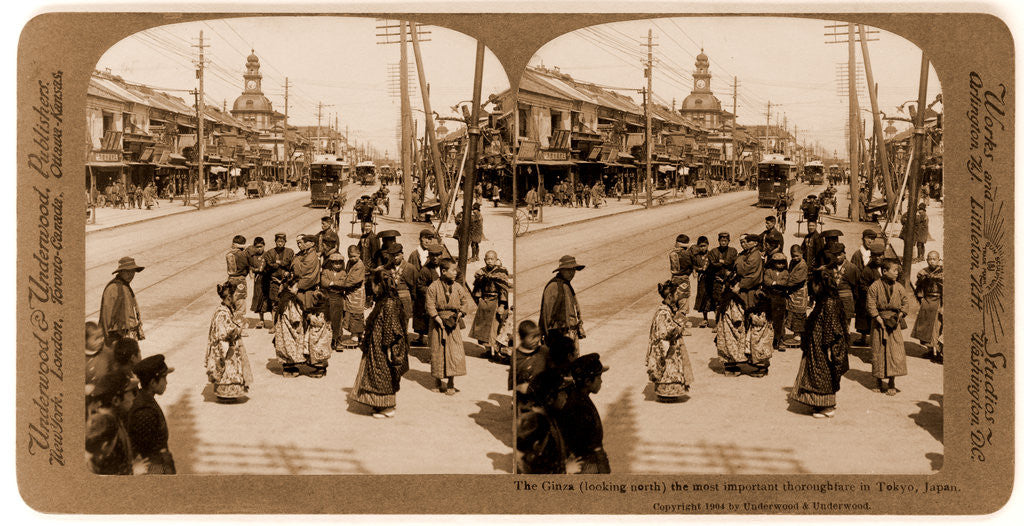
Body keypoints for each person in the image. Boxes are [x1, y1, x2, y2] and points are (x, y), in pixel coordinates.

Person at [789, 247, 850, 418]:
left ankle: (826, 405)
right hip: (819, 343)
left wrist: (829, 347)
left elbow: (831, 328)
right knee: (819, 372)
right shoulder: (827, 300)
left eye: (814, 286)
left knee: (821, 372)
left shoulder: (829, 302)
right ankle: (822, 404)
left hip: (823, 345)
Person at [351, 243, 410, 418]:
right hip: (377, 346)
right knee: (377, 375)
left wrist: (389, 349)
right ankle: (379, 404)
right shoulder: (384, 301)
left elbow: (391, 330)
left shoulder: (390, 304)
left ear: (380, 285)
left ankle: (387, 406)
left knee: (382, 374)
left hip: (384, 348)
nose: (373, 289)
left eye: (374, 285)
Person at [557, 354, 611, 474]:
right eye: (599, 377)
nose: (601, 381)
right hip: (586, 465)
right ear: (587, 381)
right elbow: (590, 444)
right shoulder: (580, 408)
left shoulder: (576, 396)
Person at [426, 258, 472, 395]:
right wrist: (438, 319)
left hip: (453, 324)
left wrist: (459, 315)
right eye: (453, 270)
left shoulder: (458, 287)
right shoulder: (433, 287)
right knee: (437, 351)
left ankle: (451, 382)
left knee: (454, 352)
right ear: (444, 271)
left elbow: (465, 302)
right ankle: (438, 381)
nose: (455, 272)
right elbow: (430, 305)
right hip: (437, 324)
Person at [516, 369, 571, 474]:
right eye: (562, 392)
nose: (566, 396)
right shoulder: (535, 423)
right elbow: (523, 462)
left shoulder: (549, 417)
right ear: (550, 398)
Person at [867, 260, 910, 395]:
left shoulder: (899, 287)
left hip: (894, 324)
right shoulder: (874, 287)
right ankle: (878, 381)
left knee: (895, 353)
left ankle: (892, 382)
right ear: (884, 271)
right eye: (894, 270)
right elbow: (871, 304)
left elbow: (905, 303)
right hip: (878, 324)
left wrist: (900, 316)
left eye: (898, 271)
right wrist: (878, 319)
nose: (897, 273)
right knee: (878, 351)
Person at [127, 354, 175, 474]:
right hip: (154, 467)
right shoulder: (145, 411)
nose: (167, 383)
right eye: (164, 378)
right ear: (153, 383)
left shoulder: (145, 398)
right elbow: (144, 450)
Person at [205, 281, 253, 401]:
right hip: (225, 350)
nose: (237, 298)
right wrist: (239, 326)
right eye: (235, 295)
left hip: (228, 347)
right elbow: (225, 332)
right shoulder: (222, 313)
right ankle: (226, 394)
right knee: (227, 371)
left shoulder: (226, 309)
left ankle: (228, 393)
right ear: (229, 297)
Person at [647, 280, 694, 401]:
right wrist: (679, 324)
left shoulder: (667, 310)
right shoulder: (663, 313)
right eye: (676, 294)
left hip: (670, 347)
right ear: (670, 296)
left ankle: (669, 393)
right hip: (667, 349)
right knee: (668, 369)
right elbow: (667, 332)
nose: (678, 296)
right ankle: (666, 393)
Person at [85, 370, 137, 475]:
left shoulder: (114, 418)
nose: (134, 397)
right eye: (132, 392)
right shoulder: (102, 425)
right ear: (116, 400)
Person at [540, 255, 586, 358]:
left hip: (571, 333)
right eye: (568, 270)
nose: (572, 273)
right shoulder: (553, 287)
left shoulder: (566, 284)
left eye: (573, 270)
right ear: (561, 270)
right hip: (561, 335)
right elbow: (547, 315)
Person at [470, 250, 512, 362]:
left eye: (492, 259)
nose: (489, 261)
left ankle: (497, 352)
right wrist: (479, 299)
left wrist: (502, 306)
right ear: (484, 260)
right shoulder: (481, 273)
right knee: (483, 328)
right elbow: (477, 287)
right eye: (487, 259)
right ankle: (488, 350)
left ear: (496, 259)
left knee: (494, 329)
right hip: (484, 302)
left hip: (496, 302)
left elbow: (504, 291)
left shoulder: (500, 273)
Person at [99, 256, 146, 345]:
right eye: (127, 271)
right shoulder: (113, 288)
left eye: (132, 271)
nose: (131, 275)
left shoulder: (125, 286)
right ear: (120, 272)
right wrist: (106, 341)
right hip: (117, 337)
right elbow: (105, 318)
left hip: (128, 336)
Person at [913, 251, 943, 363]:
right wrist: (921, 299)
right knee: (926, 327)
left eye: (934, 259)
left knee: (937, 327)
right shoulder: (923, 272)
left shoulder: (943, 273)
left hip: (939, 301)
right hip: (927, 301)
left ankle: (939, 351)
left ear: (939, 260)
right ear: (926, 260)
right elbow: (919, 287)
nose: (932, 261)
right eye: (930, 259)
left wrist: (943, 305)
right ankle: (930, 349)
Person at [273, 276, 306, 378]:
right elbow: (294, 317)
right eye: (296, 287)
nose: (297, 289)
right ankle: (290, 366)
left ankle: (287, 365)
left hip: (282, 328)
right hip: (288, 328)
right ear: (290, 288)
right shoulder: (291, 301)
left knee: (284, 345)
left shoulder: (283, 298)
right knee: (290, 345)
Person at [704, 233, 738, 328]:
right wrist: (725, 263)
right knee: (717, 301)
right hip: (717, 280)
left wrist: (722, 262)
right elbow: (713, 264)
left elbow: (734, 263)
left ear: (728, 241)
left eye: (725, 241)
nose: (723, 242)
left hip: (729, 280)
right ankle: (717, 323)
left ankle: (728, 322)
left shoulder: (733, 251)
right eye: (721, 240)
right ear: (719, 241)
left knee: (729, 300)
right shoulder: (714, 251)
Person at [509, 320, 550, 395]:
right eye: (532, 337)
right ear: (522, 339)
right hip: (525, 400)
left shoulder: (544, 351)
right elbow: (513, 382)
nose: (537, 339)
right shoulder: (517, 356)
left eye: (538, 335)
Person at [263, 233, 295, 330]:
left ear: (285, 242)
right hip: (274, 282)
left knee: (287, 303)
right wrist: (282, 264)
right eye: (278, 241)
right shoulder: (270, 253)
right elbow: (270, 265)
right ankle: (274, 324)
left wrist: (278, 263)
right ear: (275, 242)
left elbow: (290, 264)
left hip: (286, 281)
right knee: (274, 304)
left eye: (282, 241)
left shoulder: (290, 252)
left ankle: (287, 325)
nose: (280, 243)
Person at [320, 253, 349, 352]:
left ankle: (338, 340)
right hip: (328, 298)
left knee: (338, 320)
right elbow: (323, 282)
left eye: (340, 263)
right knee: (328, 319)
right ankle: (329, 341)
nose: (337, 265)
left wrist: (331, 283)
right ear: (331, 263)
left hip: (338, 298)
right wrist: (334, 284)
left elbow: (344, 284)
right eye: (335, 263)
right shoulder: (326, 271)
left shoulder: (343, 273)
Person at [339, 245, 367, 347]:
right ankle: (358, 334)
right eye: (350, 256)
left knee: (356, 313)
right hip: (350, 292)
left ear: (359, 254)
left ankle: (355, 337)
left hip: (357, 292)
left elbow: (353, 280)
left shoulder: (360, 265)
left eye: (354, 256)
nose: (352, 258)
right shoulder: (350, 263)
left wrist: (341, 284)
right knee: (350, 312)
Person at [763, 252, 790, 353]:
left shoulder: (785, 273)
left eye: (782, 263)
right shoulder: (768, 271)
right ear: (773, 263)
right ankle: (770, 340)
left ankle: (780, 340)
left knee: (780, 320)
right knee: (770, 319)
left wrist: (774, 283)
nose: (780, 265)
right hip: (770, 298)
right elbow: (766, 281)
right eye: (778, 263)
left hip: (781, 298)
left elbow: (785, 283)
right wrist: (776, 284)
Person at [783, 245, 809, 348]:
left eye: (797, 256)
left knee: (799, 314)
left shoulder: (802, 265)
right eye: (793, 256)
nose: (795, 258)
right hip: (793, 291)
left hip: (799, 291)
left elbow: (796, 279)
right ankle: (796, 335)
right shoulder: (793, 262)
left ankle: (798, 337)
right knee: (793, 312)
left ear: (802, 254)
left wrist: (784, 283)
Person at [668, 234, 695, 326]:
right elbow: (693, 263)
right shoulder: (686, 254)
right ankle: (681, 326)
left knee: (674, 302)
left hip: (674, 279)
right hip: (683, 280)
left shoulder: (672, 253)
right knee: (683, 302)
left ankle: (675, 323)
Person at [225, 235, 250, 329]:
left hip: (230, 279)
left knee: (232, 303)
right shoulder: (242, 254)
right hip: (240, 280)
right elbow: (248, 263)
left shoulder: (229, 254)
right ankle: (239, 328)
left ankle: (231, 325)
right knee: (240, 304)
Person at [246, 237, 270, 329]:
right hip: (258, 281)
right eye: (257, 247)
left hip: (267, 279)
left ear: (264, 245)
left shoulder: (268, 254)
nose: (259, 249)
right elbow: (250, 266)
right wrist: (251, 273)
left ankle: (274, 321)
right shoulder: (253, 257)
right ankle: (261, 320)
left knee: (268, 299)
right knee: (259, 299)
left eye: (260, 246)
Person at [690, 236, 713, 328]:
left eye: (704, 246)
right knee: (703, 297)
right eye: (700, 246)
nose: (703, 248)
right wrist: (697, 269)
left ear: (708, 245)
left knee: (712, 297)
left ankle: (717, 319)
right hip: (702, 280)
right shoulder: (696, 256)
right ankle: (705, 319)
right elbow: (694, 265)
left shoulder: (712, 254)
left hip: (711, 279)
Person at [357, 223, 380, 307]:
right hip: (363, 263)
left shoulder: (374, 237)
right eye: (366, 226)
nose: (367, 228)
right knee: (363, 282)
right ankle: (364, 299)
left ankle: (369, 301)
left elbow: (376, 252)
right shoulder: (363, 237)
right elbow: (358, 247)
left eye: (369, 226)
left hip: (371, 264)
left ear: (372, 227)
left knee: (370, 283)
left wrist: (374, 264)